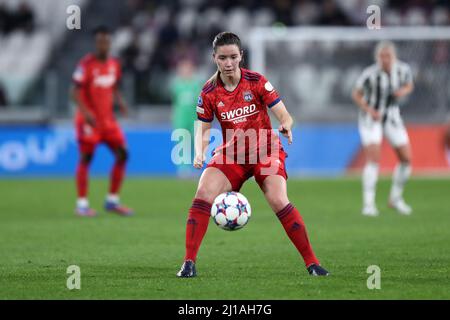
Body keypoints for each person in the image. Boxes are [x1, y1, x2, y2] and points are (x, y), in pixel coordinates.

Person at [176, 32, 329, 278]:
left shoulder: (256, 81)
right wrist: (198, 152)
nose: (228, 63)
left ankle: (312, 263)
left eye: (233, 57)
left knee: (279, 200)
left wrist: (287, 124)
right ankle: (188, 263)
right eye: (223, 58)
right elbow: (203, 127)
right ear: (214, 58)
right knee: (203, 193)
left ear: (241, 57)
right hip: (233, 155)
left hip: (266, 151)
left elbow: (283, 113)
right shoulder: (208, 92)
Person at [71, 26, 133, 217]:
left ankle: (112, 201)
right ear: (95, 43)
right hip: (89, 122)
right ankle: (81, 204)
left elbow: (113, 86)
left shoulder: (114, 64)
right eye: (100, 41)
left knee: (123, 154)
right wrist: (85, 112)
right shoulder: (86, 65)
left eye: (106, 41)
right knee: (86, 158)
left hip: (108, 122)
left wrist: (121, 102)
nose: (103, 45)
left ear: (110, 43)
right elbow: (74, 92)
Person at [352, 41, 414, 217]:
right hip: (371, 119)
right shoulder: (370, 74)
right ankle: (368, 204)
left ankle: (395, 198)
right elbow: (356, 94)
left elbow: (410, 84)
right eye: (382, 56)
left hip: (392, 118)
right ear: (377, 57)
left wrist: (403, 92)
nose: (385, 59)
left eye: (388, 56)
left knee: (406, 158)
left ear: (394, 57)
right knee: (374, 158)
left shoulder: (403, 70)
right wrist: (369, 110)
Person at [170, 58, 202, 178]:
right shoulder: (177, 85)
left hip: (194, 117)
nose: (185, 71)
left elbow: (200, 102)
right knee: (182, 142)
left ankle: (196, 166)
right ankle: (183, 169)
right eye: (183, 69)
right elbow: (175, 102)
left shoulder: (196, 84)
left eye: (187, 69)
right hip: (181, 117)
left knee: (195, 142)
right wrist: (173, 115)